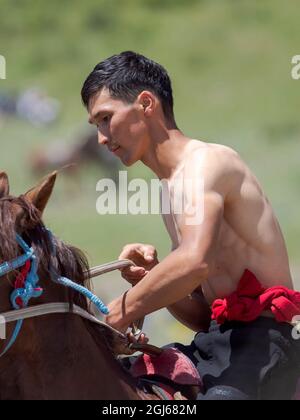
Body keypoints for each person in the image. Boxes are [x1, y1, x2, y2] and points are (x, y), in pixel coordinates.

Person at [81, 51, 300, 400]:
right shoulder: (169, 192)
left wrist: (119, 313)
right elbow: (203, 317)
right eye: (96, 126)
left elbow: (194, 263)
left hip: (270, 343)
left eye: (105, 118)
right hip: (221, 343)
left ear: (146, 103)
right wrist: (152, 275)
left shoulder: (206, 164)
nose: (102, 138)